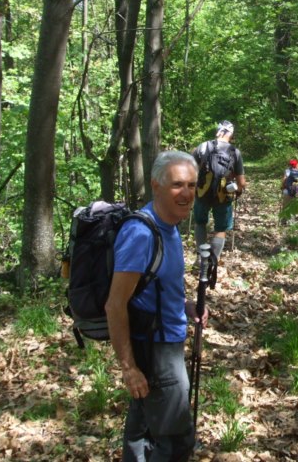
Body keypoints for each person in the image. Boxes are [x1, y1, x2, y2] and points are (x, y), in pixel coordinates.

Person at [105, 150, 208, 462]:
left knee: (142, 432)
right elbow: (115, 305)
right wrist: (129, 368)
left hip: (165, 342)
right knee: (176, 442)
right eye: (177, 185)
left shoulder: (170, 225)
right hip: (157, 351)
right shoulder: (141, 233)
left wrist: (186, 306)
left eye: (192, 185)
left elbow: (152, 286)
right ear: (156, 185)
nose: (187, 193)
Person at [192, 120, 246, 270]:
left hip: (202, 192)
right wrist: (238, 190)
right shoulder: (235, 152)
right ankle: (213, 262)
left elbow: (190, 170)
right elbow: (241, 182)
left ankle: (201, 257)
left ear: (218, 131)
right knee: (220, 229)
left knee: (200, 223)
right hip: (223, 195)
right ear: (231, 134)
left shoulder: (202, 147)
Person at [279, 158, 298, 224]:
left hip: (287, 191)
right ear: (297, 164)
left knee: (286, 206)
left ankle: (284, 221)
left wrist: (282, 187)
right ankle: (292, 222)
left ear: (290, 164)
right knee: (294, 206)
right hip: (297, 192)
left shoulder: (287, 171)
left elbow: (284, 180)